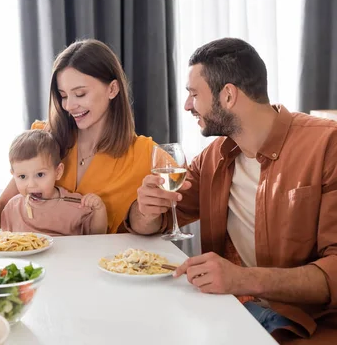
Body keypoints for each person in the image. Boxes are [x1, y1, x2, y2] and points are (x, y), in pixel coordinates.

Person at [128, 37, 337, 344]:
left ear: (227, 95)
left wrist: (243, 279)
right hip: (230, 314)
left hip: (304, 325)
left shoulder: (327, 145)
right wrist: (146, 210)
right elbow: (158, 220)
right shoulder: (215, 158)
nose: (187, 105)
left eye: (193, 94)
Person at [0, 39, 156, 234]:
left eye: (80, 94)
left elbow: (178, 205)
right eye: (64, 95)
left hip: (103, 264)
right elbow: (0, 216)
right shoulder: (43, 139)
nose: (68, 106)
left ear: (112, 89)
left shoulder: (142, 153)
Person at [0, 129, 107, 235]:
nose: (31, 184)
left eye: (40, 175)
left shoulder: (75, 204)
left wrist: (99, 209)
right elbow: (6, 241)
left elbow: (96, 237)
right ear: (13, 175)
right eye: (22, 176)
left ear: (58, 172)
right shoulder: (13, 207)